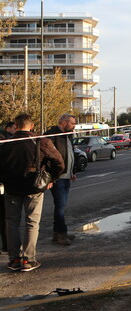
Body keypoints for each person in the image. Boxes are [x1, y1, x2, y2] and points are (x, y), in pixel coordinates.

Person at [0, 113, 64, 271]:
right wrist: (50, 179)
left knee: (12, 223)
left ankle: (14, 259)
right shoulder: (41, 142)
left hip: (11, 188)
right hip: (34, 187)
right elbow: (59, 162)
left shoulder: (6, 143)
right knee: (32, 223)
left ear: (15, 126)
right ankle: (28, 260)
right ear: (32, 126)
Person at [44, 113, 77, 245]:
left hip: (66, 176)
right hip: (58, 178)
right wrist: (52, 176)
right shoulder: (52, 136)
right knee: (60, 206)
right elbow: (47, 158)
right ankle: (61, 235)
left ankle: (57, 233)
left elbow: (70, 154)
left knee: (61, 206)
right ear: (63, 123)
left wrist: (72, 171)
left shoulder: (68, 136)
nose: (74, 126)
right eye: (72, 123)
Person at [0, 121, 16, 253]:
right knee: (5, 217)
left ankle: (6, 245)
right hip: (3, 185)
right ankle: (6, 245)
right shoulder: (6, 143)